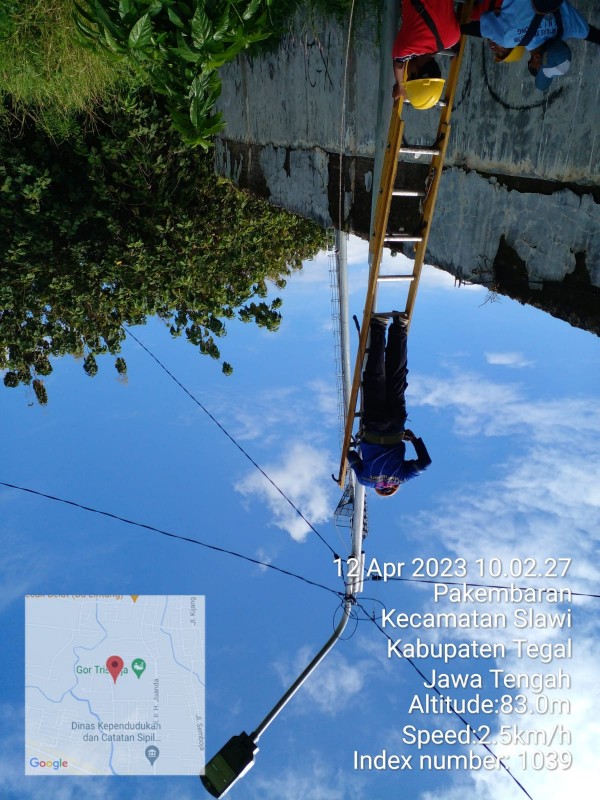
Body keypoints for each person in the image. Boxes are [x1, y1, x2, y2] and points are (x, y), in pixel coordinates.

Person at [347, 315, 431, 496]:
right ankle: (379, 326)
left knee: (396, 378)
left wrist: (414, 440)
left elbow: (425, 463)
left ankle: (399, 327)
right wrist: (358, 454)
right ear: (378, 489)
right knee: (375, 377)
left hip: (395, 427)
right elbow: (351, 455)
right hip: (374, 427)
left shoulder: (402, 477)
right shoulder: (365, 480)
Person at [462, 0, 600, 65]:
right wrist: (458, 31)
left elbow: (593, 35)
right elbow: (482, 27)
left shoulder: (570, 26)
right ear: (537, 58)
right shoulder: (508, 38)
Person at [392, 0, 462, 108]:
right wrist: (400, 85)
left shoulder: (454, 38)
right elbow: (398, 64)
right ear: (415, 72)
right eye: (409, 77)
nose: (407, 74)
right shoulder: (406, 47)